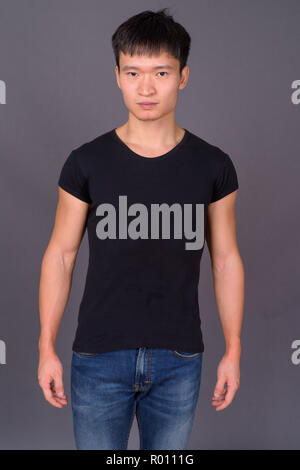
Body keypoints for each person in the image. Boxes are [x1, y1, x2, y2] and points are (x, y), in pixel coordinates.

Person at [38, 8, 244, 450]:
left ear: (183, 76)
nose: (146, 87)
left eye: (161, 72)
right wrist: (45, 346)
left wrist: (234, 349)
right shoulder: (86, 162)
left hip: (180, 358)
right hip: (97, 356)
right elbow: (61, 254)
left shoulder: (213, 165)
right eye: (133, 72)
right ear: (117, 75)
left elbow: (225, 260)